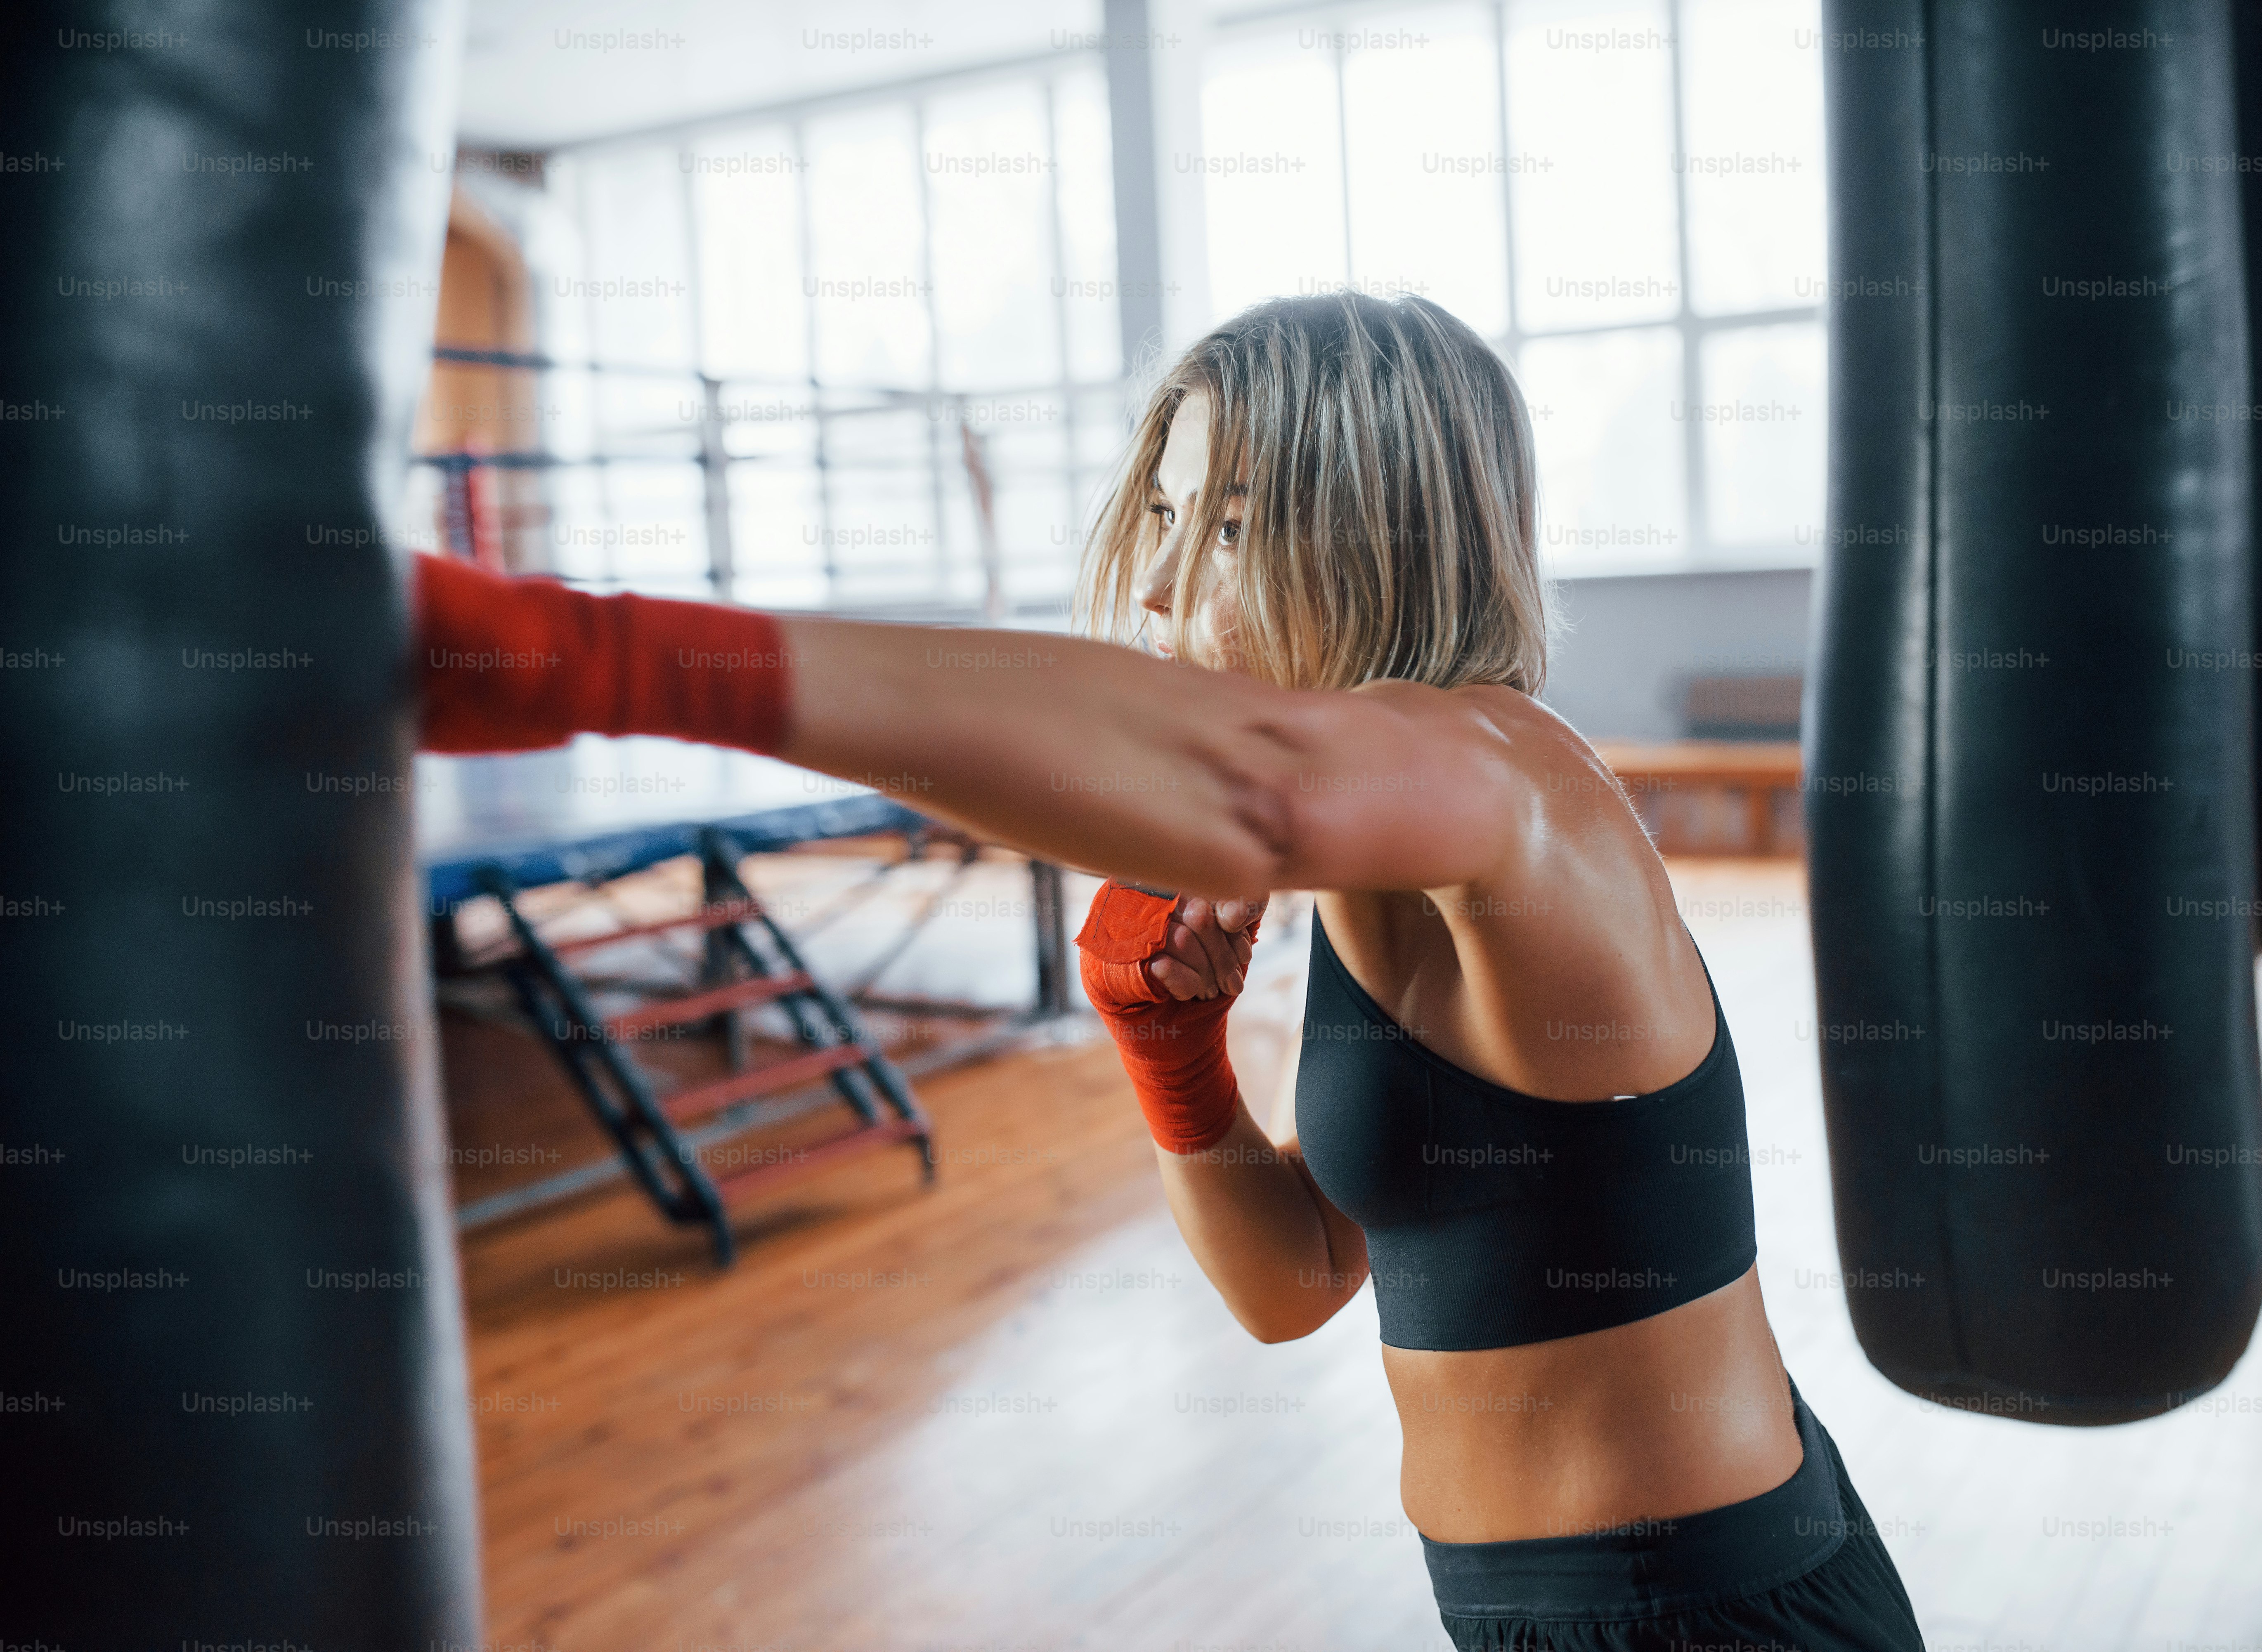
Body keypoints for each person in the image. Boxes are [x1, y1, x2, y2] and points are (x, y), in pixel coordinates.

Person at [413, 290, 1925, 1649]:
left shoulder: (1512, 779)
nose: (1154, 596)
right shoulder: (1376, 881)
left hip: (1706, 1616)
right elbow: (1298, 1281)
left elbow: (1247, 783)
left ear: (1369, 522)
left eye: (1221, 525)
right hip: (1524, 1613)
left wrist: (588, 660)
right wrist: (1169, 1046)